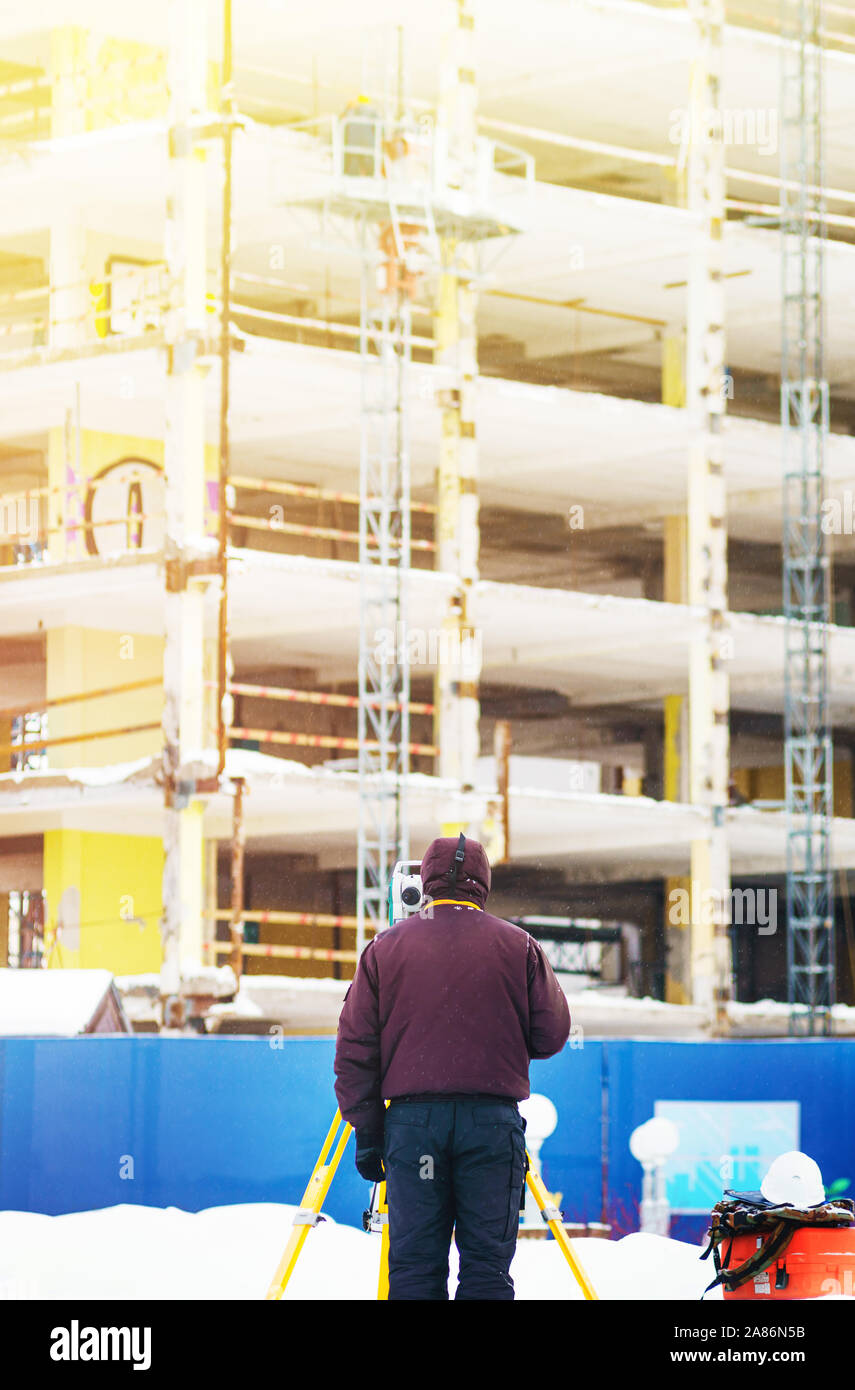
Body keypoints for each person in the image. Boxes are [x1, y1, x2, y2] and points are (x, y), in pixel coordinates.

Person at [334, 833, 571, 1300]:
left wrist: (368, 1131)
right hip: (490, 1125)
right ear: (482, 883)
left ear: (424, 881)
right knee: (486, 1270)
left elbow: (355, 1049)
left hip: (413, 1126)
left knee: (416, 1270)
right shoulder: (519, 945)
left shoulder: (385, 948)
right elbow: (552, 1034)